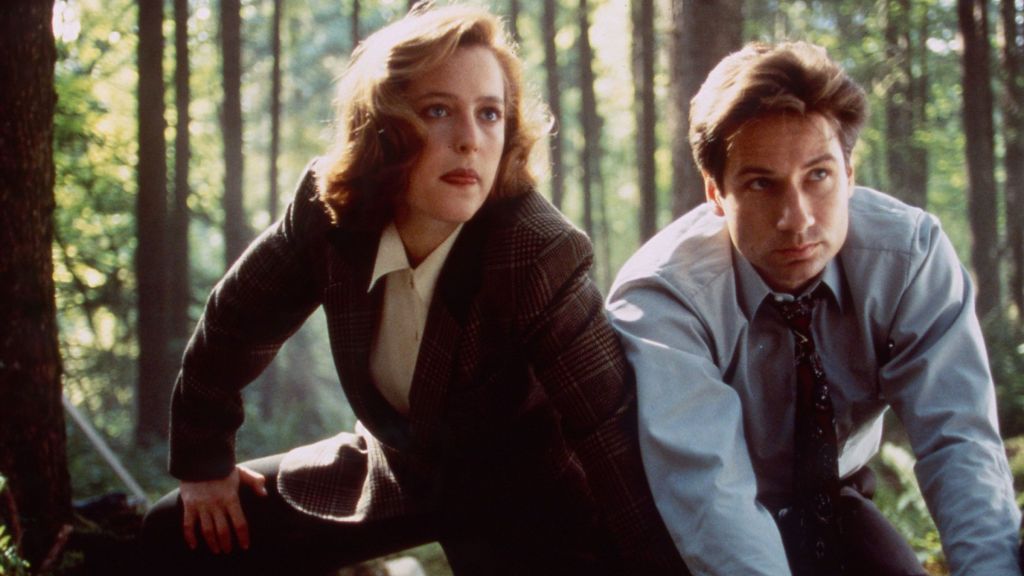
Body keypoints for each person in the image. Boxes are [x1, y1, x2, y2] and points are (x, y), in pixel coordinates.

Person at [140, 4, 686, 574]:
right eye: (438, 110)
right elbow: (236, 321)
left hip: (525, 500)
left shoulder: (538, 249)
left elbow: (609, 435)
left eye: (490, 113)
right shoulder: (330, 211)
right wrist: (204, 460)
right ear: (383, 125)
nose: (470, 140)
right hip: (394, 468)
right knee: (176, 532)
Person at [606, 41, 1022, 575]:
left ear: (850, 173)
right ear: (715, 194)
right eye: (762, 184)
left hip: (835, 500)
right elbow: (709, 498)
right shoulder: (664, 298)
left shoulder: (908, 260)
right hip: (681, 532)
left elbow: (959, 440)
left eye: (818, 175)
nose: (796, 219)